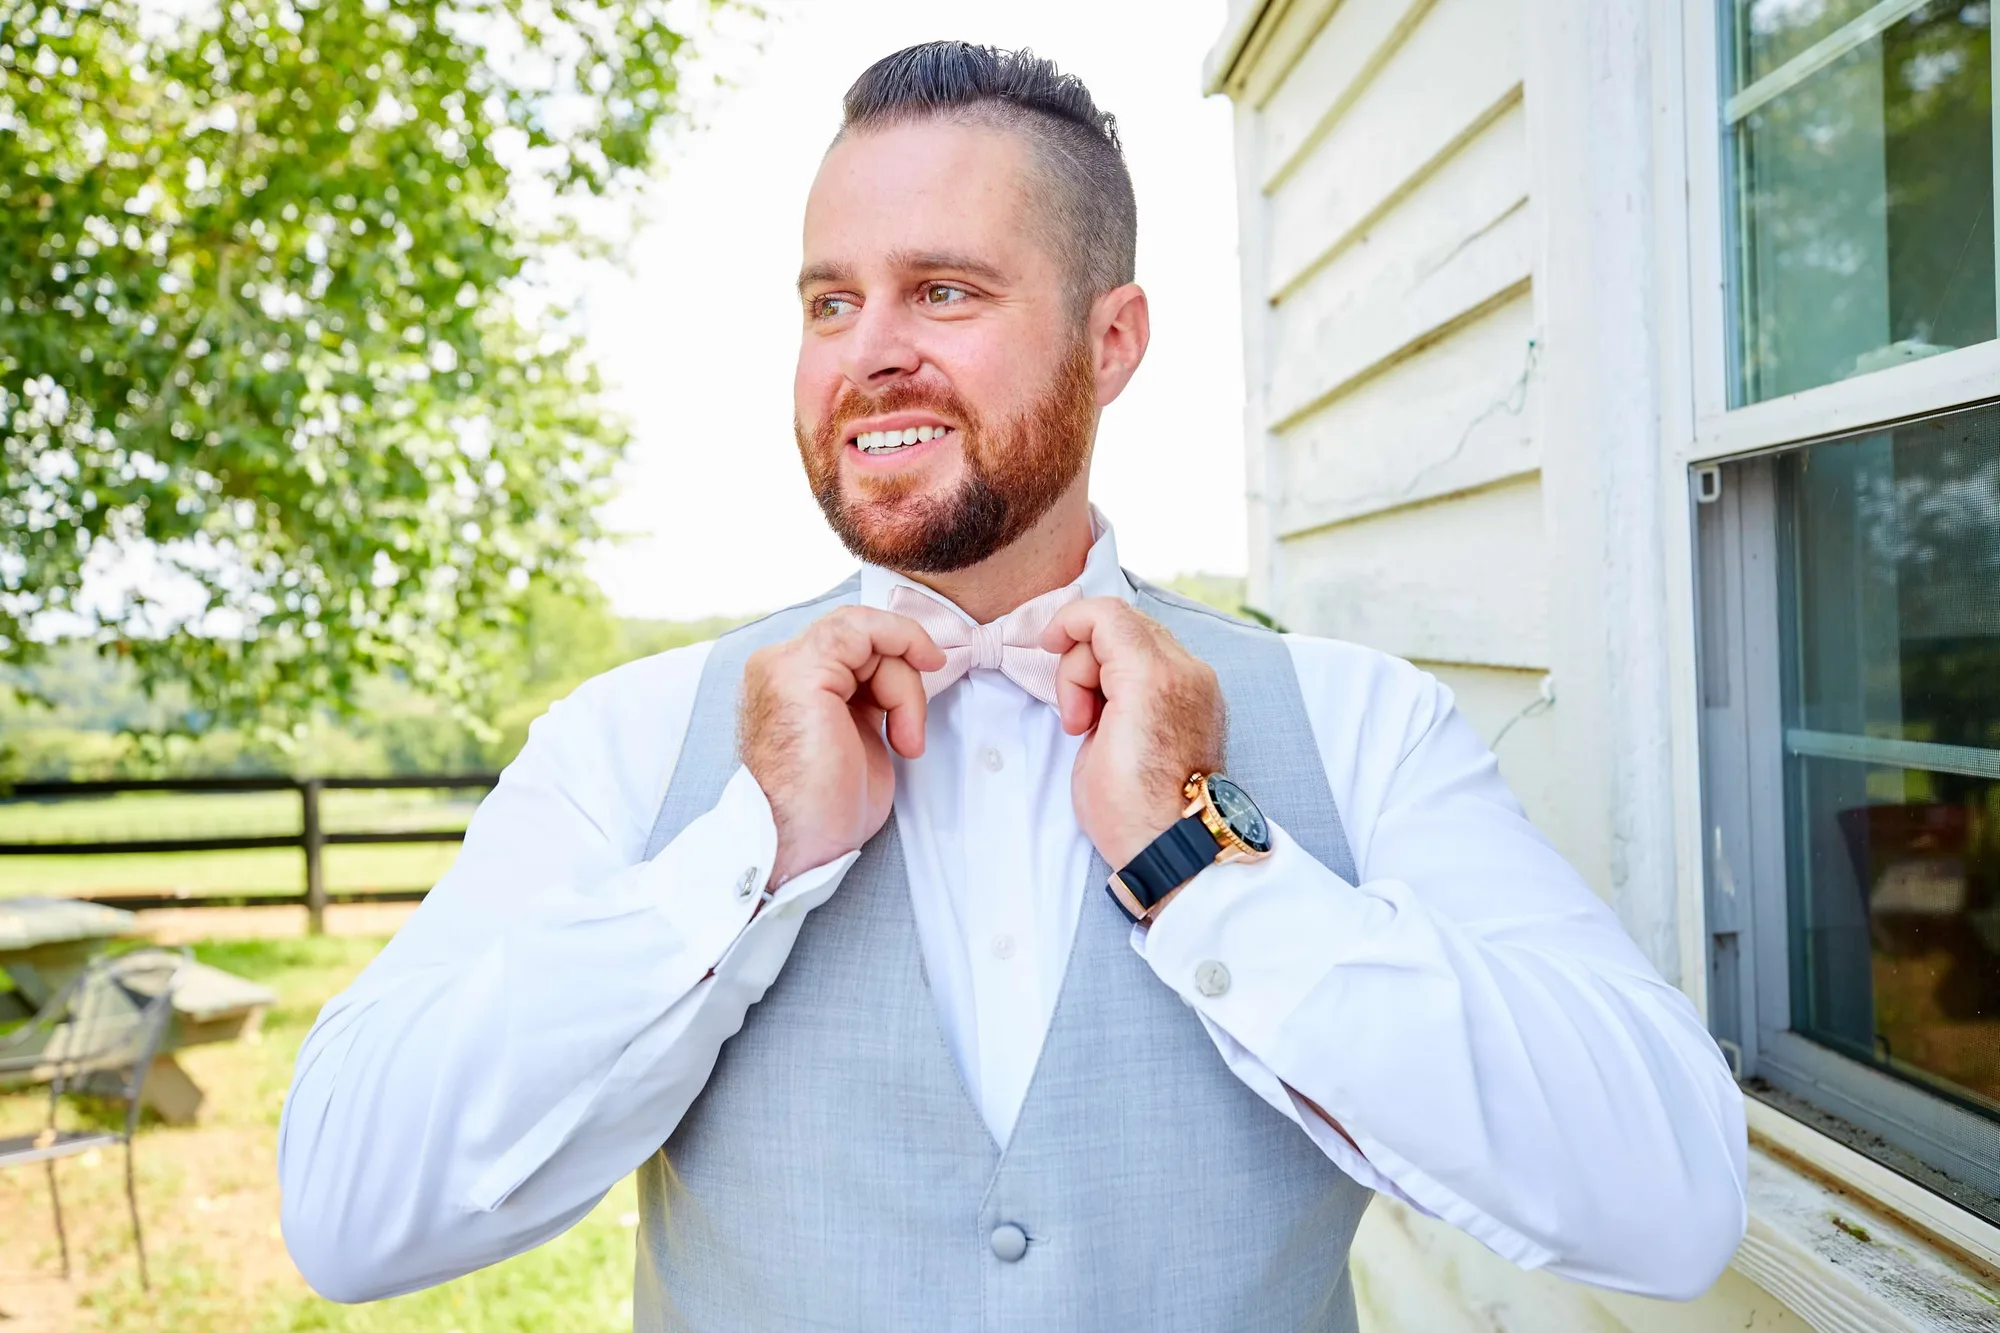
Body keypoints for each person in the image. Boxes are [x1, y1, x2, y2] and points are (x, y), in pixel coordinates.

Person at [278, 41, 1748, 1331]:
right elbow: (347, 1211)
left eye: (945, 290)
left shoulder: (1359, 723)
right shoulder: (629, 737)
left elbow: (1672, 1198)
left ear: (1112, 343)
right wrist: (746, 857)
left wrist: (1202, 863)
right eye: (829, 302)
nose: (871, 356)